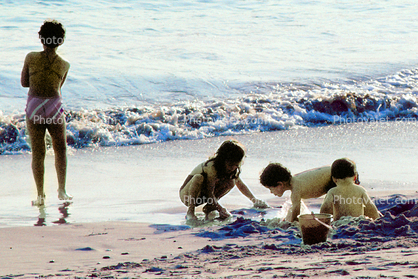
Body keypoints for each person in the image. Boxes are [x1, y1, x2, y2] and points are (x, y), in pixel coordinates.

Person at [21, 19, 72, 206]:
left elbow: (24, 83)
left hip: (34, 104)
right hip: (54, 106)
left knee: (38, 152)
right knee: (60, 149)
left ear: (41, 39)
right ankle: (62, 191)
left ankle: (41, 195)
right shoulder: (64, 64)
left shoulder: (30, 57)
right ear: (60, 41)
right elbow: (58, 87)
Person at [179, 140, 268, 220]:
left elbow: (240, 185)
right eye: (230, 165)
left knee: (232, 181)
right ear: (222, 160)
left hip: (204, 196)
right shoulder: (211, 167)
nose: (232, 168)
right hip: (187, 196)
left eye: (235, 165)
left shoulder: (232, 170)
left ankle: (210, 207)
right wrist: (220, 208)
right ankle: (190, 211)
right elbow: (209, 191)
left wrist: (254, 200)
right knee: (199, 177)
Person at [260, 162, 337, 222]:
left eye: (270, 188)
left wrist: (289, 225)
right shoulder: (295, 180)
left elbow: (296, 215)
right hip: (332, 175)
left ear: (280, 184)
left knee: (325, 213)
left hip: (335, 178)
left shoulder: (295, 190)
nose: (271, 192)